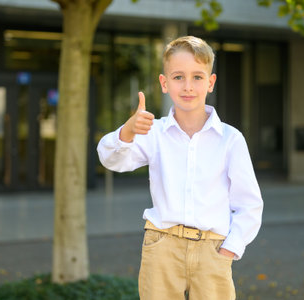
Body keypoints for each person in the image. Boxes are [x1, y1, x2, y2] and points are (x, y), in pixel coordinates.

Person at [97, 36, 263, 300]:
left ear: (211, 82)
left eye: (198, 77)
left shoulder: (231, 139)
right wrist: (128, 130)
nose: (188, 86)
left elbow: (250, 204)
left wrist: (230, 248)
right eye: (178, 77)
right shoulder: (154, 133)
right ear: (164, 83)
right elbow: (111, 159)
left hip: (213, 248)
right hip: (162, 246)